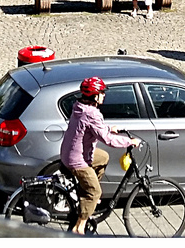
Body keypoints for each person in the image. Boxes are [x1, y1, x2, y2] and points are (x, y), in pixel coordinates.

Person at [60, 77, 142, 235]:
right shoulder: (92, 113)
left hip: (71, 151)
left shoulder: (80, 106)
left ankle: (87, 196)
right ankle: (79, 227)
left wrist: (109, 128)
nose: (104, 95)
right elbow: (107, 139)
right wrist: (129, 141)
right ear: (95, 96)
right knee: (95, 192)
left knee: (102, 157)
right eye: (102, 92)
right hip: (77, 160)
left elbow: (93, 128)